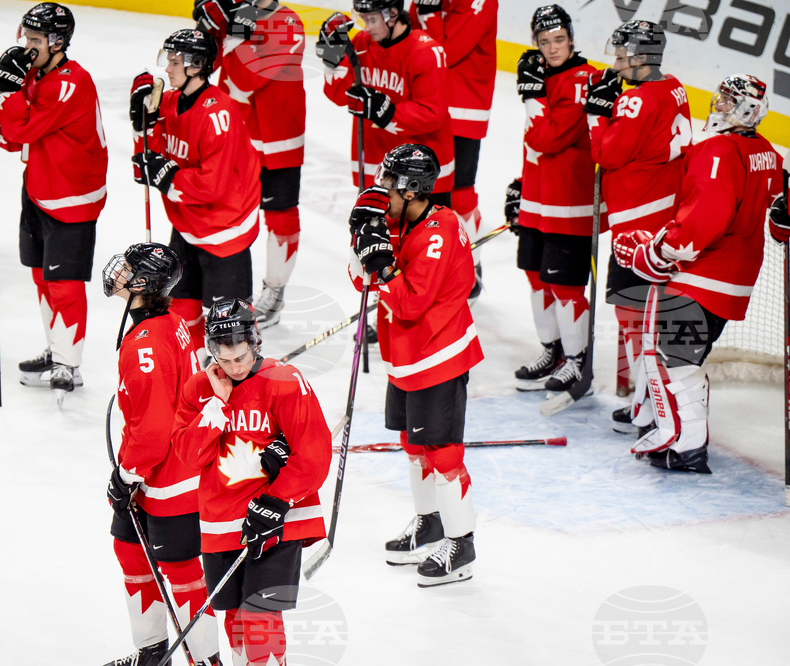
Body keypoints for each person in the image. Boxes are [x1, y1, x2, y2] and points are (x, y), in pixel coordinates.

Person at [613, 74, 782, 473]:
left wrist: (655, 251)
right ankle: (670, 429)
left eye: (729, 101)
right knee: (684, 357)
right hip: (735, 281)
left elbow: (704, 219)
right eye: (721, 97)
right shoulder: (769, 154)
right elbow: (778, 216)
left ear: (748, 110)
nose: (718, 106)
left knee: (676, 359)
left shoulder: (719, 150)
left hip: (700, 278)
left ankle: (688, 447)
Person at [348, 144, 483, 586]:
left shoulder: (439, 232)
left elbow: (406, 302)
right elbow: (358, 281)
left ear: (410, 189)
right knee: (412, 444)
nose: (382, 188)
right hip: (406, 358)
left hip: (438, 356)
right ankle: (431, 524)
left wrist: (383, 268)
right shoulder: (400, 220)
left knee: (443, 453)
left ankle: (461, 545)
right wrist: (360, 242)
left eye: (389, 182)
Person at [172, 299, 331, 665]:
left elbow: (314, 454)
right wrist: (217, 404)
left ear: (254, 341)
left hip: (275, 520)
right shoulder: (200, 388)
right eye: (224, 359)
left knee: (261, 615)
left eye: (240, 356)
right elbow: (188, 456)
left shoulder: (285, 381)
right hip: (221, 522)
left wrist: (277, 501)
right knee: (235, 620)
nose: (234, 366)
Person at [0, 2, 108, 400]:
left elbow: (27, 124)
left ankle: (69, 363)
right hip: (39, 189)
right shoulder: (37, 74)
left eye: (35, 40)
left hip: (72, 197)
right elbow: (18, 136)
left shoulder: (71, 82)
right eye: (26, 38)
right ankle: (57, 350)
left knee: (64, 282)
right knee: (41, 275)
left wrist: (6, 96)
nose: (27, 47)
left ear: (57, 41)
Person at [102, 243, 220, 666]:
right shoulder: (170, 320)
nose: (119, 270)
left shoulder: (146, 344)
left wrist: (127, 475)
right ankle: (153, 653)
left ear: (143, 284)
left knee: (183, 572)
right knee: (130, 549)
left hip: (170, 479)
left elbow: (152, 429)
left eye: (129, 268)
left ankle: (207, 660)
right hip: (158, 472)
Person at [585, 20, 692, 436]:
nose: (615, 63)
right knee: (647, 313)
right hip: (665, 213)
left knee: (632, 313)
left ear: (640, 57)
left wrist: (596, 114)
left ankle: (648, 403)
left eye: (619, 55)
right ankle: (646, 398)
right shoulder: (675, 87)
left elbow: (606, 154)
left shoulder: (637, 102)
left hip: (638, 225)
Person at [132, 29, 261, 362]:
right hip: (188, 225)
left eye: (175, 62)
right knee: (182, 310)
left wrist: (169, 177)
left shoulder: (219, 114)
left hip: (225, 230)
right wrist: (141, 125)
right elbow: (146, 164)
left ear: (197, 66)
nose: (168, 69)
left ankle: (236, 389)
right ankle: (190, 375)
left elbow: (212, 186)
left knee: (231, 329)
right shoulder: (171, 102)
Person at [195, 0, 306, 328]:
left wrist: (234, 35)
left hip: (277, 141)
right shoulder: (237, 16)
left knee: (280, 218)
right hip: (235, 136)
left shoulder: (287, 23)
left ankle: (274, 292)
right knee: (225, 216)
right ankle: (223, 292)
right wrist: (208, 30)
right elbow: (206, 68)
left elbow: (246, 81)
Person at [507, 5, 598, 394]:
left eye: (558, 40)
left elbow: (546, 138)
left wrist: (532, 96)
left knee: (566, 288)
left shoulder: (584, 79)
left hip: (569, 205)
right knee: (535, 278)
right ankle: (553, 351)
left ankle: (578, 362)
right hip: (538, 200)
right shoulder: (543, 75)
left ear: (571, 38)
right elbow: (533, 148)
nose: (552, 48)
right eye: (544, 42)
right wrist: (520, 187)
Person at [317, 0, 454, 204]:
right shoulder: (362, 43)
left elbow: (432, 113)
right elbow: (339, 95)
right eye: (363, 19)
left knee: (423, 236)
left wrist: (388, 113)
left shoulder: (426, 52)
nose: (367, 27)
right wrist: (333, 62)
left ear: (393, 14)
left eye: (372, 19)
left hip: (421, 174)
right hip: (376, 165)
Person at [413, 0, 497, 299]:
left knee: (459, 194)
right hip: (428, 104)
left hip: (464, 108)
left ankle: (469, 270)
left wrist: (430, 14)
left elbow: (447, 52)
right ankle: (435, 268)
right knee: (426, 196)